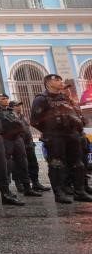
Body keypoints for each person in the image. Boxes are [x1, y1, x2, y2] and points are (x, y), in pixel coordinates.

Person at [30, 74, 92, 203]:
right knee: (57, 164)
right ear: (48, 83)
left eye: (60, 79)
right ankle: (59, 193)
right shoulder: (41, 99)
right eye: (56, 80)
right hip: (55, 137)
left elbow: (74, 113)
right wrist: (49, 131)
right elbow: (35, 121)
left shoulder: (64, 97)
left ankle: (79, 191)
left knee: (78, 163)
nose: (60, 82)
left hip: (72, 135)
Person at [0, 94, 41, 197]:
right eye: (3, 99)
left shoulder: (11, 111)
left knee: (23, 163)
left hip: (17, 140)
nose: (6, 100)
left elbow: (20, 125)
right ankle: (6, 191)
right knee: (6, 166)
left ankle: (27, 188)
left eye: (7, 98)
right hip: (6, 140)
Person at [11, 100, 50, 192]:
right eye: (16, 106)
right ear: (12, 107)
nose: (19, 107)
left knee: (33, 164)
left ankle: (36, 183)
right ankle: (20, 184)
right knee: (19, 166)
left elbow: (27, 130)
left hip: (29, 144)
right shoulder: (11, 117)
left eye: (20, 105)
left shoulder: (23, 116)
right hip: (19, 145)